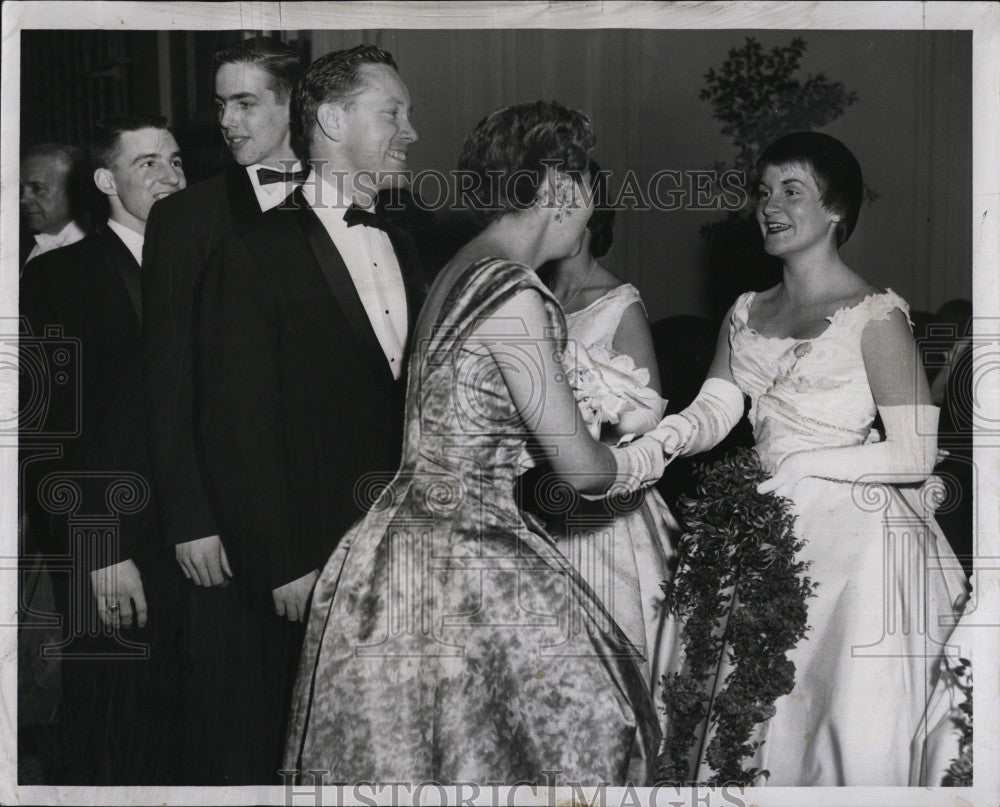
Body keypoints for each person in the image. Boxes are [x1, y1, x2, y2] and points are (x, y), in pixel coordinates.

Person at [283, 101, 671, 785]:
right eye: (584, 190)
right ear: (561, 188)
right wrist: (657, 446)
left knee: (434, 755)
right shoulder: (515, 293)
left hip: (396, 547)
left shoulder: (459, 268)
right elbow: (580, 469)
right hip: (464, 552)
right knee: (592, 728)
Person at [651, 131, 968, 785]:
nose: (770, 204)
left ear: (835, 210)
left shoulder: (873, 316)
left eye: (791, 190)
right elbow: (718, 406)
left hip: (853, 536)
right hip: (754, 524)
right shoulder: (746, 311)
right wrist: (658, 441)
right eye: (763, 191)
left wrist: (804, 467)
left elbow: (914, 451)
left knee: (823, 712)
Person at [196, 44, 426, 783]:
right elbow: (238, 427)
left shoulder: (419, 237)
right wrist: (285, 560)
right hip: (314, 562)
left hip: (415, 556)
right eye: (393, 112)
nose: (411, 131)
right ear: (331, 119)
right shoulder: (251, 250)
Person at [140, 37, 305, 784]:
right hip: (227, 530)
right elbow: (167, 377)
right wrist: (191, 515)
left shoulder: (360, 204)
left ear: (293, 105)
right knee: (234, 733)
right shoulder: (184, 219)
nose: (228, 122)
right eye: (220, 104)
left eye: (246, 102)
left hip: (334, 514)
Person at [19, 114, 187, 783]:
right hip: (106, 544)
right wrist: (97, 548)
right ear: (104, 180)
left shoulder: (207, 261)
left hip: (193, 546)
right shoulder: (60, 276)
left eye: (175, 160)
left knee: (177, 733)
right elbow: (48, 432)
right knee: (109, 731)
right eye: (146, 163)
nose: (170, 175)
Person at [539, 159, 679, 702]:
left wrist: (592, 419)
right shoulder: (526, 296)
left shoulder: (620, 303)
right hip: (532, 497)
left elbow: (649, 419)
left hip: (602, 506)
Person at [20, 143, 92, 268]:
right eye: (21, 189)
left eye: (37, 188)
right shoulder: (16, 248)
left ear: (74, 190)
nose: (23, 200)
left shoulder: (100, 253)